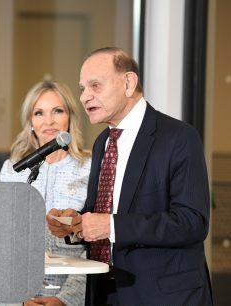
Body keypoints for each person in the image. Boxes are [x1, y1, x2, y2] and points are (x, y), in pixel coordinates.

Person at [46, 47, 213, 305]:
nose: (84, 97)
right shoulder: (103, 142)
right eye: (82, 89)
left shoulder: (179, 137)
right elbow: (107, 209)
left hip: (162, 296)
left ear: (128, 83)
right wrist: (76, 221)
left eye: (95, 86)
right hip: (105, 293)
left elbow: (192, 222)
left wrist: (111, 226)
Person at [0, 80, 92, 306]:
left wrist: (66, 299)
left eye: (57, 111)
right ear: (30, 121)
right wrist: (17, 299)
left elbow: (95, 245)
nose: (48, 121)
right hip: (18, 296)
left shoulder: (91, 167)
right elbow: (2, 240)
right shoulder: (13, 169)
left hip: (70, 296)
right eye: (39, 113)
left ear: (70, 117)